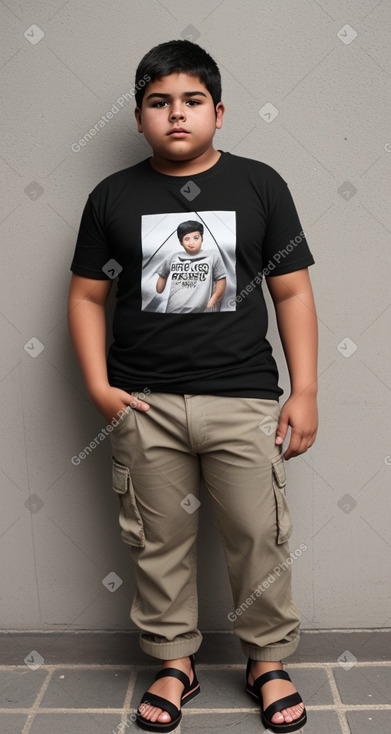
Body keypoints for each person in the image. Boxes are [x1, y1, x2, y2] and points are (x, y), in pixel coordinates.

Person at [68, 39, 318, 734]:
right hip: (143, 403)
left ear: (218, 111)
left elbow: (292, 292)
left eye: (191, 101)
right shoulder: (111, 196)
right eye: (158, 103)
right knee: (156, 540)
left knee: (257, 536)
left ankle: (266, 661)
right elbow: (87, 298)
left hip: (243, 399)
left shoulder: (259, 184)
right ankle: (173, 663)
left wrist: (305, 391)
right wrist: (97, 386)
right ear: (141, 116)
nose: (175, 115)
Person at [155, 220, 227, 313]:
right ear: (181, 242)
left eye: (196, 238)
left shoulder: (213, 256)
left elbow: (221, 280)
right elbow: (159, 288)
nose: (191, 242)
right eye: (186, 239)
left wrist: (211, 303)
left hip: (200, 312)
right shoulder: (174, 256)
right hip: (173, 311)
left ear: (202, 238)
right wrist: (162, 278)